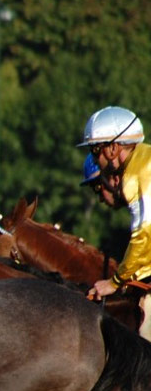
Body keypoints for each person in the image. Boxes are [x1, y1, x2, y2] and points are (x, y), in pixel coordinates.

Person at [80, 107, 150, 300]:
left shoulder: (135, 174)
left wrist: (115, 282)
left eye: (94, 150)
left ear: (113, 149)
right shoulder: (142, 160)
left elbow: (144, 235)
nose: (94, 159)